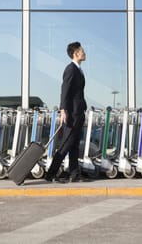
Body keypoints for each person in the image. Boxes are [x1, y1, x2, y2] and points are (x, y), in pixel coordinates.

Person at [45, 41, 87, 183]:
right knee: (66, 144)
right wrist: (63, 110)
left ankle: (74, 174)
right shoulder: (70, 69)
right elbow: (65, 90)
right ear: (75, 53)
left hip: (79, 112)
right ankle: (51, 174)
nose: (84, 52)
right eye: (82, 50)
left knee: (74, 144)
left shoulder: (78, 69)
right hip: (72, 114)